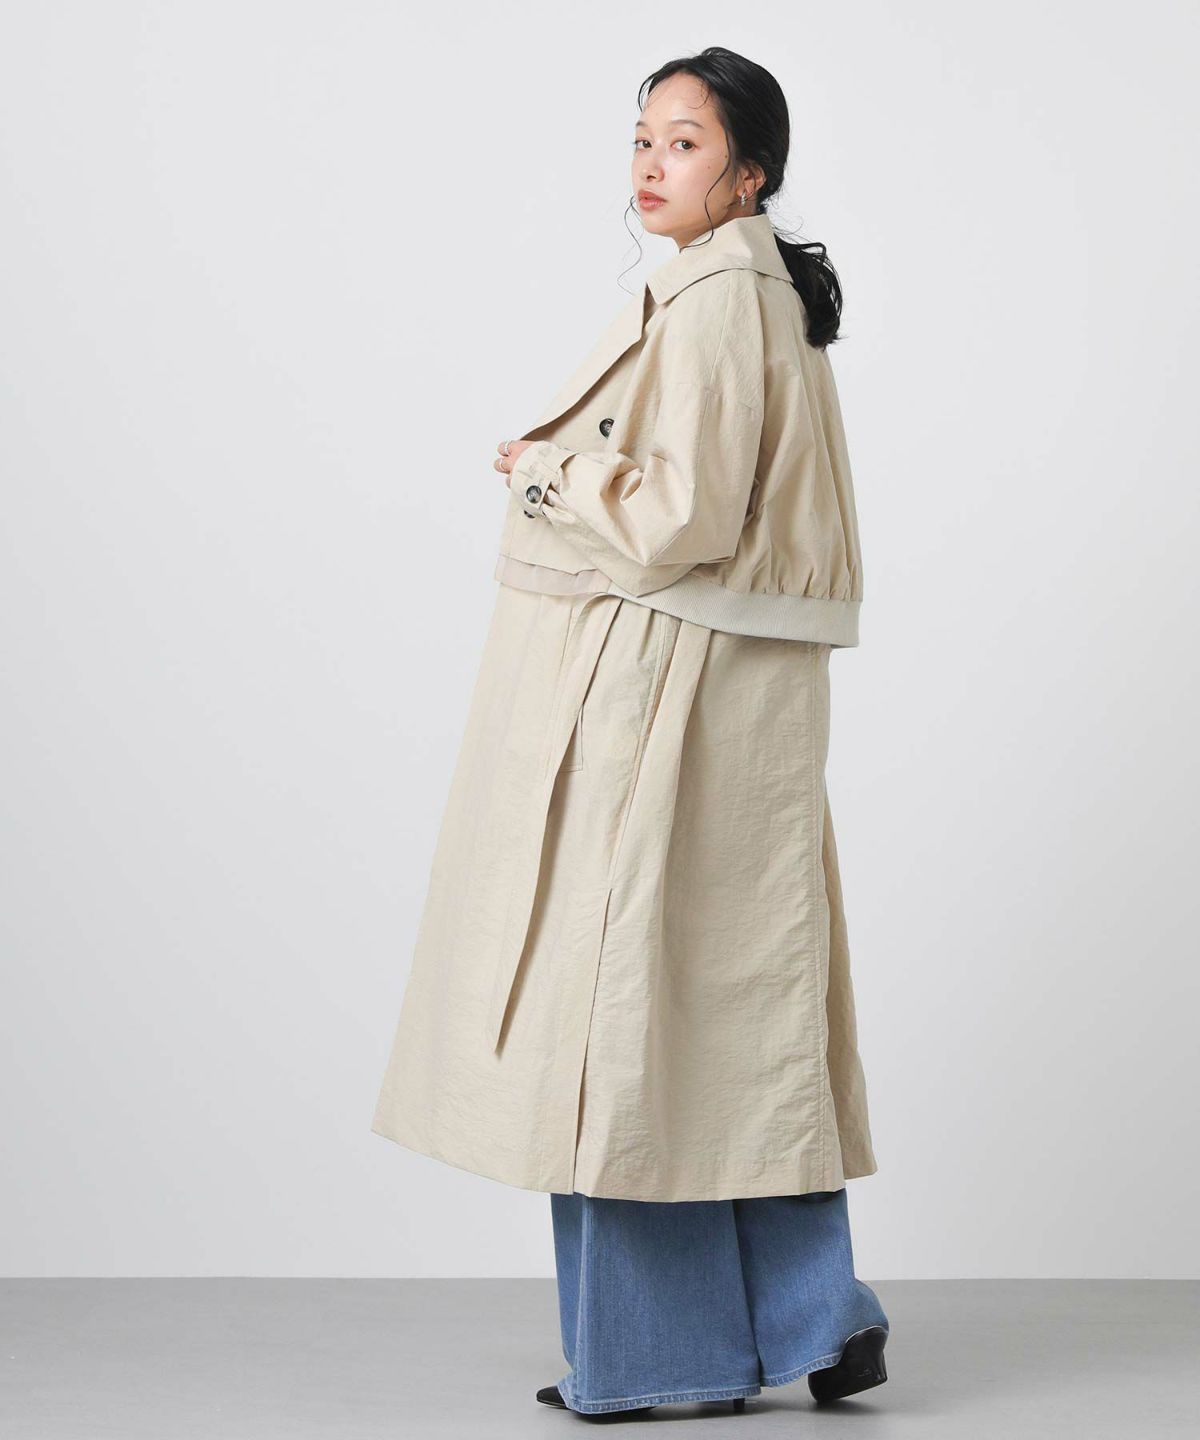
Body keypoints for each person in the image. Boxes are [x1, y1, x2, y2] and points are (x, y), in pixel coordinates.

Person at [372, 45, 889, 1416]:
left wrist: (548, 471)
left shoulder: (717, 305)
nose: (653, 166)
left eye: (686, 143)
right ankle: (812, 1316)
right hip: (729, 698)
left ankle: (667, 1358)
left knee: (625, 1023)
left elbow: (684, 517)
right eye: (643, 139)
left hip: (667, 695)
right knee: (730, 1011)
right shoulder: (752, 294)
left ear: (750, 173)